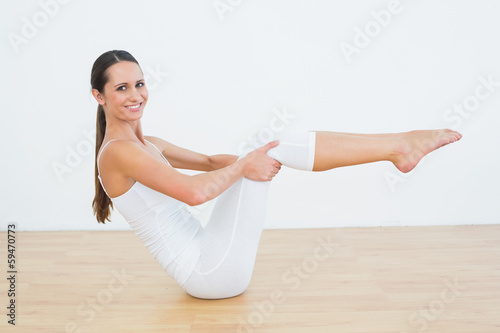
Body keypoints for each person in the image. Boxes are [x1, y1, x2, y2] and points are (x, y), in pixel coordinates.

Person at [91, 50, 462, 299]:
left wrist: (255, 157)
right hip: (208, 274)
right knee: (270, 150)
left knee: (268, 148)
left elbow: (206, 162)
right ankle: (398, 147)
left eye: (139, 84)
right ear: (99, 96)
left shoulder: (146, 143)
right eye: (121, 88)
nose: (135, 94)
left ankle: (397, 146)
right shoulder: (119, 153)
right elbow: (194, 193)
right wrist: (250, 163)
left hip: (209, 256)